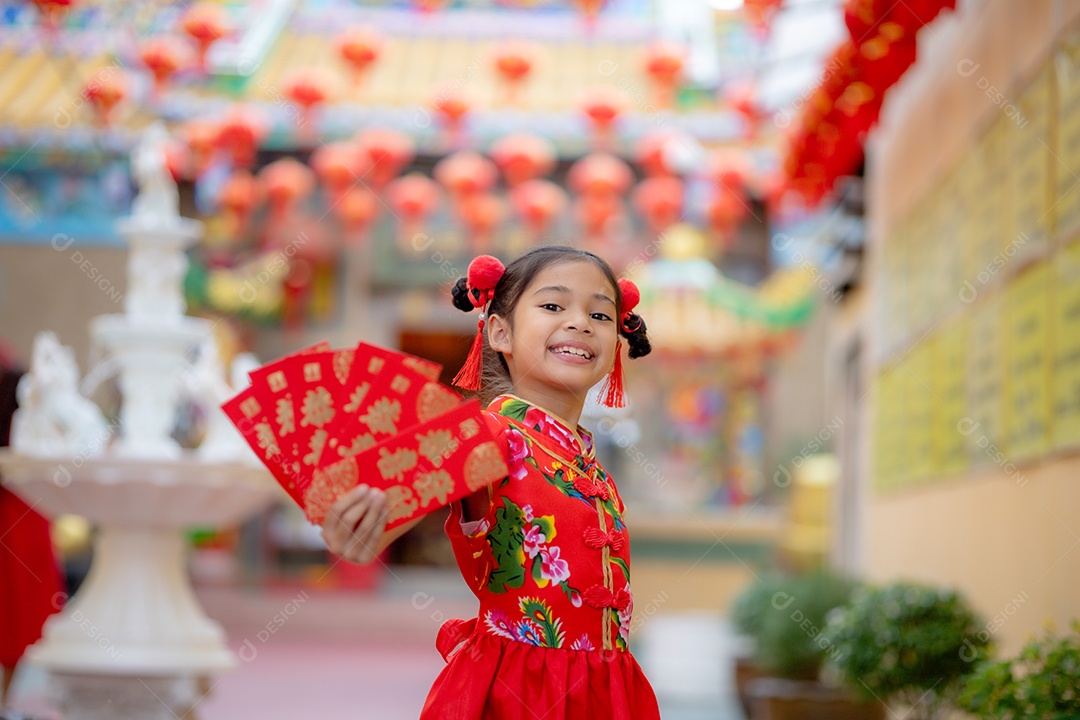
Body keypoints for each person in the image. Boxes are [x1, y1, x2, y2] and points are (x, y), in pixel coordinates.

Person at [321, 246, 660, 719]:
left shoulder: (586, 459)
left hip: (603, 692)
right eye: (553, 306)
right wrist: (358, 523)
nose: (580, 322)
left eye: (600, 313)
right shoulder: (488, 436)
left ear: (618, 340)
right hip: (520, 694)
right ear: (500, 331)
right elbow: (385, 514)